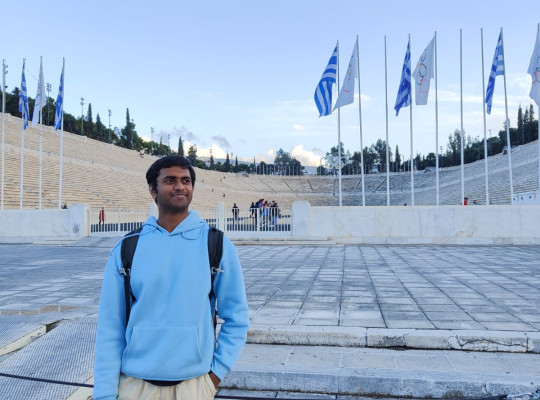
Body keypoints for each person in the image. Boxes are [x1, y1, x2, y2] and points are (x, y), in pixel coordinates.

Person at [93, 156, 249, 400]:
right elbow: (110, 327)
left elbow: (237, 318)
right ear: (152, 190)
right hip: (135, 387)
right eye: (170, 180)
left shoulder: (216, 245)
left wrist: (215, 375)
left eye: (186, 181)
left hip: (194, 387)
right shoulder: (127, 248)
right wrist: (104, 393)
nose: (180, 186)